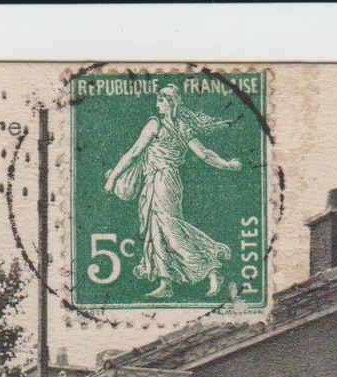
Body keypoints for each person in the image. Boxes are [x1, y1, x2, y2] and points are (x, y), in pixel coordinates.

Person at [103, 84, 243, 299]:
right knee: (156, 230)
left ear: (170, 103)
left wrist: (112, 178)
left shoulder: (155, 124)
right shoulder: (183, 127)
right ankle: (165, 281)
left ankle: (210, 267)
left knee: (169, 227)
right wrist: (228, 164)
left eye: (161, 100)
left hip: (163, 180)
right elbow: (204, 154)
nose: (157, 104)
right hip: (159, 181)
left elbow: (133, 153)